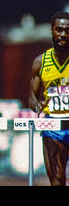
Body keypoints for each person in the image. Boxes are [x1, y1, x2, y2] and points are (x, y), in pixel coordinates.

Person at [28, 11, 69, 186]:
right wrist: (38, 106)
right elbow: (31, 97)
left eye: (67, 30)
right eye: (59, 30)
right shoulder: (40, 62)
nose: (63, 35)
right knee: (57, 180)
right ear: (51, 31)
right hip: (53, 125)